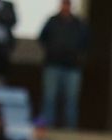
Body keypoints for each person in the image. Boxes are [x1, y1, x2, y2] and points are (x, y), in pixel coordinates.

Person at [39, 0, 90, 129]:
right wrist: (52, 50)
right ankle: (47, 128)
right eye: (63, 4)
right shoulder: (52, 21)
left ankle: (70, 129)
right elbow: (42, 38)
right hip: (53, 65)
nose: (65, 7)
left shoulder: (78, 23)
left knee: (71, 100)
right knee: (49, 98)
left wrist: (77, 55)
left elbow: (86, 41)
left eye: (67, 4)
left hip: (72, 67)